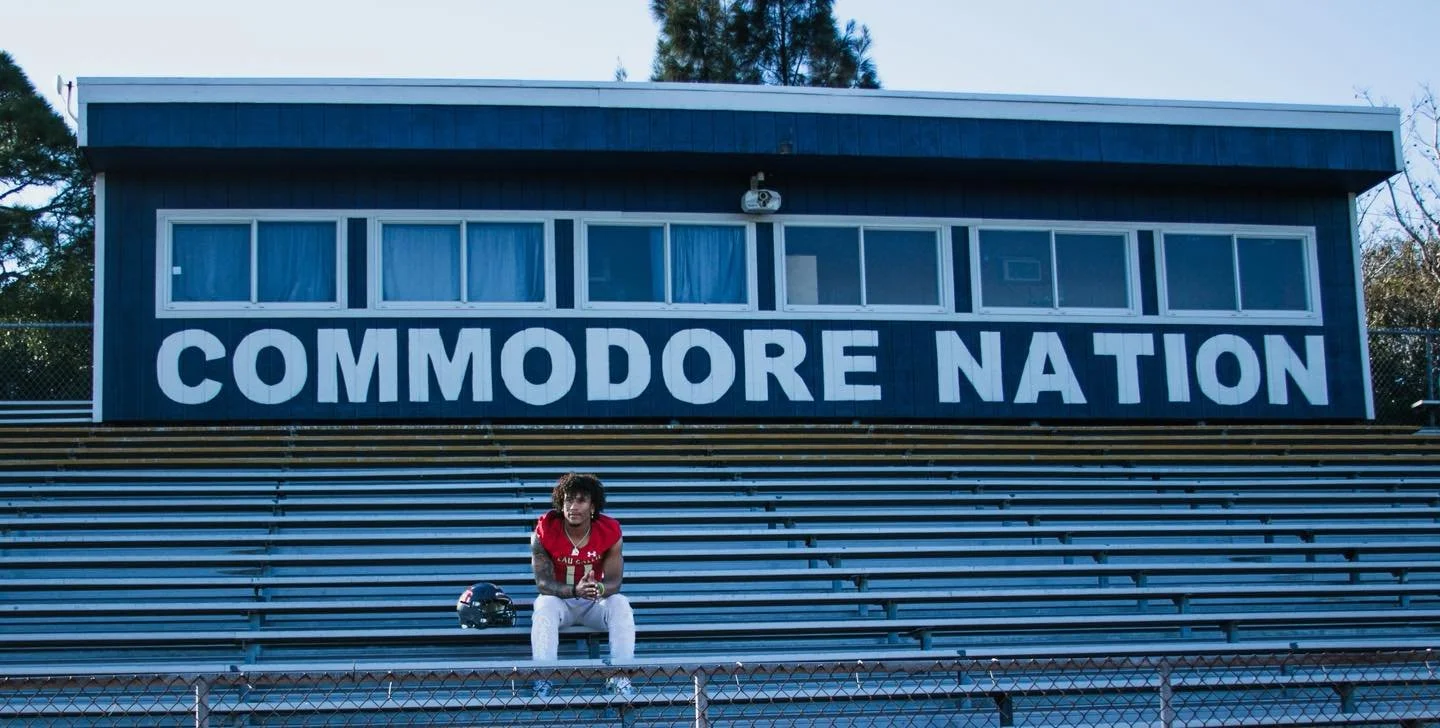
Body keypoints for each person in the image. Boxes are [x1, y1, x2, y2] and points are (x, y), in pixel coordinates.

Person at [529, 472, 636, 698]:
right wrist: (573, 591)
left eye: (581, 500)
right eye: (568, 499)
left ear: (593, 506)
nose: (573, 506)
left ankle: (620, 676)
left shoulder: (610, 530)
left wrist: (599, 589)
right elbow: (543, 582)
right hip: (561, 602)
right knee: (543, 604)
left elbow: (615, 580)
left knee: (620, 603)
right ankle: (543, 677)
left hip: (592, 602)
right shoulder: (545, 529)